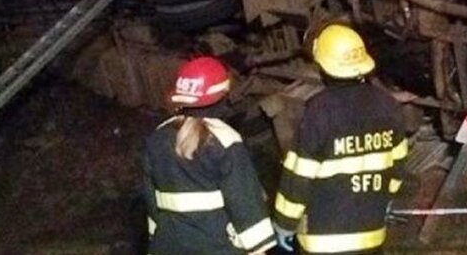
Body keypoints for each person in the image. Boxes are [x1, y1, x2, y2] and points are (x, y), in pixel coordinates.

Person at [273, 24, 409, 254]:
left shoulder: (319, 110)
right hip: (371, 235)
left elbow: (299, 175)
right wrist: (387, 199)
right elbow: (399, 165)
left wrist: (285, 223)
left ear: (323, 67)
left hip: (323, 239)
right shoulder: (388, 105)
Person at [141, 56, 277, 255]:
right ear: (221, 95)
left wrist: (157, 236)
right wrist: (258, 247)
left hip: (168, 244)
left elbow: (151, 200)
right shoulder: (225, 140)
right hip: (216, 245)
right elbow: (245, 201)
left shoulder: (157, 138)